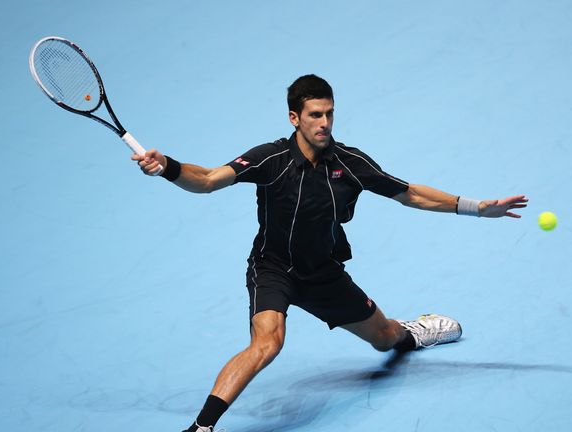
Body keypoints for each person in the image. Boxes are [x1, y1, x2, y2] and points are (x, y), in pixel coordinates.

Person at [133, 75, 528, 432]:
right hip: (274, 269)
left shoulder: (350, 164)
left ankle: (411, 330)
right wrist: (167, 166)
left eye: (330, 114)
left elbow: (410, 194)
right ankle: (201, 429)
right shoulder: (269, 158)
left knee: (386, 338)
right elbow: (205, 180)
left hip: (324, 273)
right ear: (294, 118)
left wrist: (477, 206)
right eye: (315, 115)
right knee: (267, 343)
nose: (324, 123)